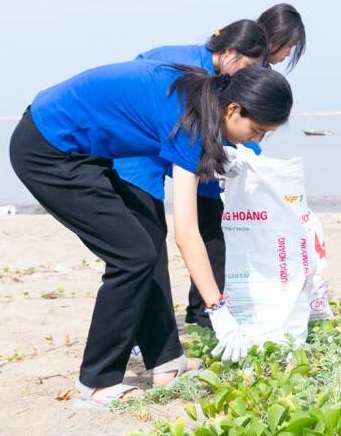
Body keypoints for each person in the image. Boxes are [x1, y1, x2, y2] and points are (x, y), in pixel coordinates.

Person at [10, 62, 292, 407]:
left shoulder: (202, 95)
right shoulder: (189, 124)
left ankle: (165, 360)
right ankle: (96, 382)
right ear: (233, 109)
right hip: (48, 150)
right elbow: (187, 233)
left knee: (149, 235)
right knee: (132, 256)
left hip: (86, 151)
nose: (256, 140)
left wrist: (221, 154)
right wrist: (217, 307)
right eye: (256, 130)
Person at [111, 20, 271, 329]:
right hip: (137, 157)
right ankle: (141, 334)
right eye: (248, 66)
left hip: (166, 153)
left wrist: (241, 154)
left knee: (159, 242)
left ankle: (161, 333)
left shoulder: (219, 81)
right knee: (146, 246)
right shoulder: (187, 72)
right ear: (228, 52)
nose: (246, 75)